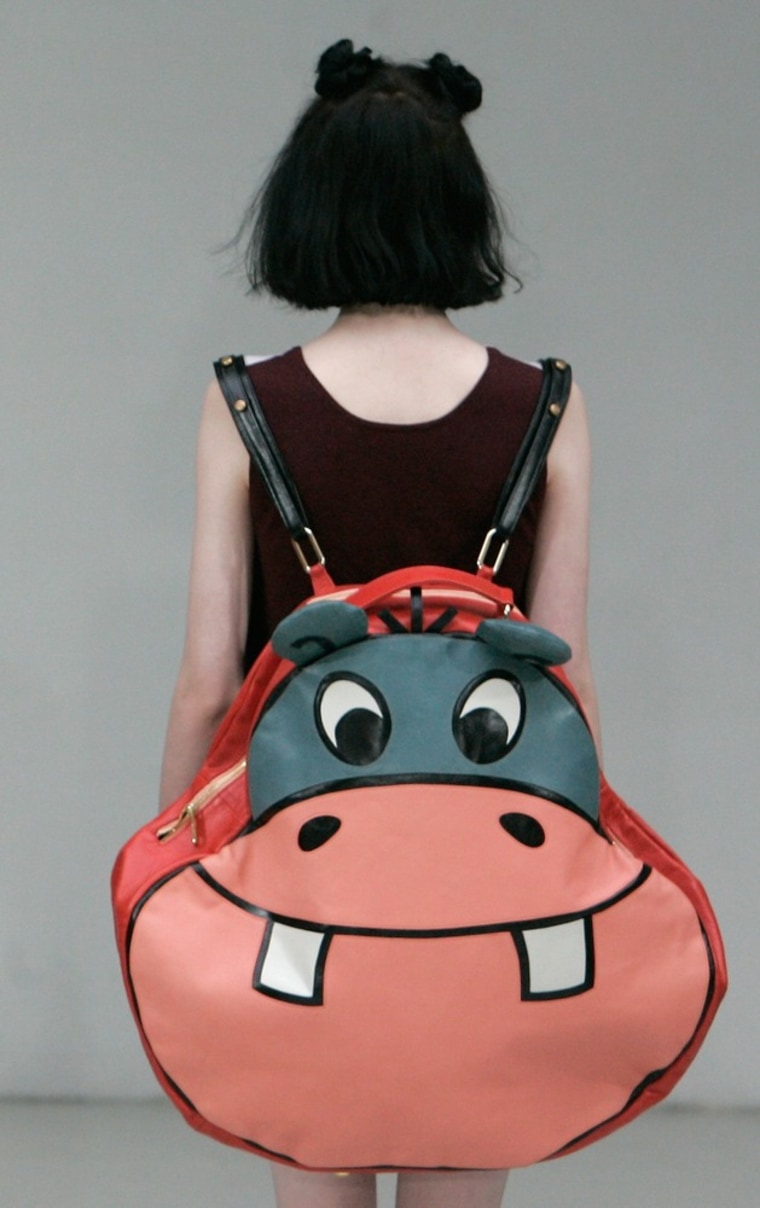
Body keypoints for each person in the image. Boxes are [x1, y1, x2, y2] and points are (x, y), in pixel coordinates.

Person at [158, 38, 601, 1208]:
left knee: (315, 1163)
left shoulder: (243, 400)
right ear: (461, 210)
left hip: (301, 857)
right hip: (480, 861)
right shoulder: (544, 402)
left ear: (308, 206)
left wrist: (171, 857)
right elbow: (566, 678)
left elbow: (211, 677)